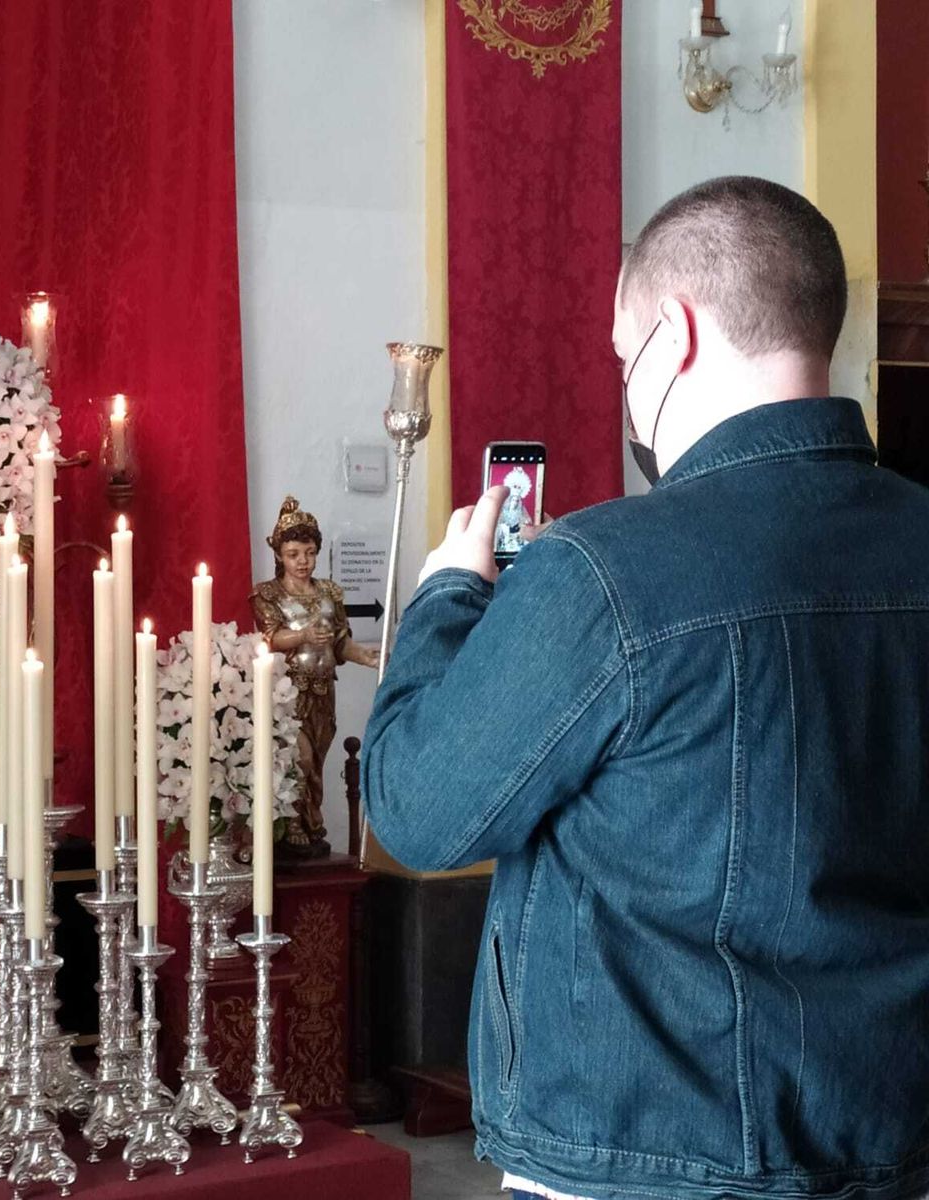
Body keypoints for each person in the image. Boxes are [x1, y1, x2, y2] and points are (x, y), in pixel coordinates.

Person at [362, 175, 929, 1200]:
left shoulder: (602, 569)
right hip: (891, 1139)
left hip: (644, 1152)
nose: (627, 386)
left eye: (624, 356)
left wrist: (448, 594)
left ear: (671, 334)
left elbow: (419, 811)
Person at [251, 496, 377, 856]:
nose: (302, 561)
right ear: (279, 555)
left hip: (324, 690)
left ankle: (311, 821)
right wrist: (304, 635)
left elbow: (339, 642)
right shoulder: (268, 594)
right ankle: (292, 822)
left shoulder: (329, 592)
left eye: (308, 552)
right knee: (298, 758)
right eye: (293, 554)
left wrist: (363, 655)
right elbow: (270, 637)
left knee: (317, 762)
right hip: (288, 691)